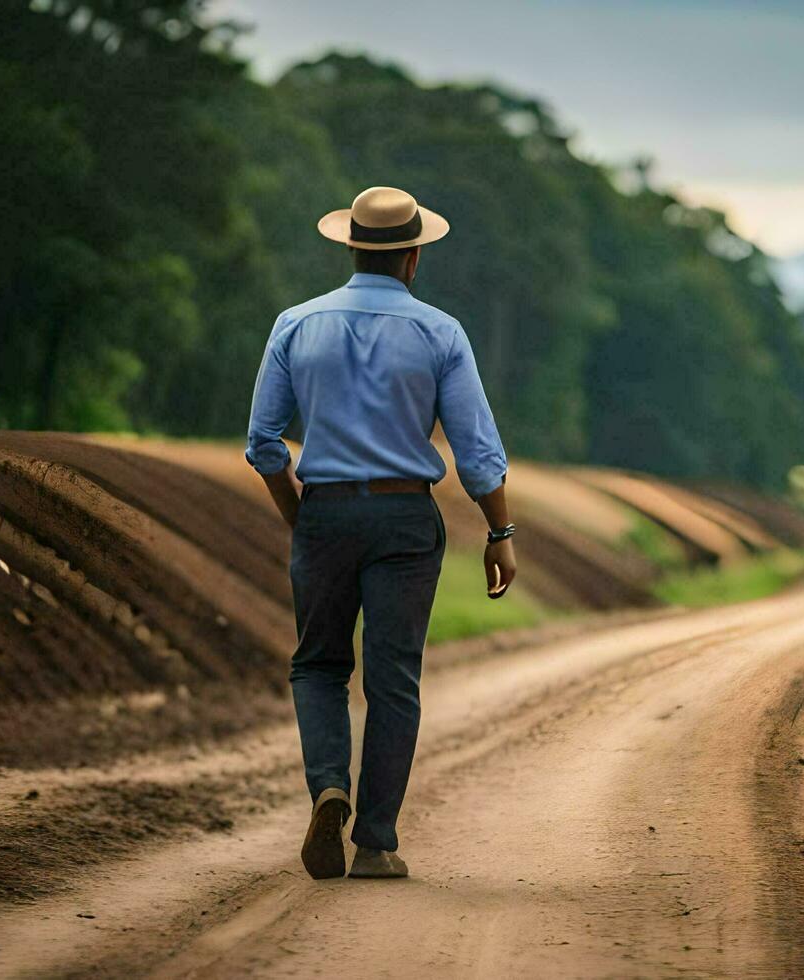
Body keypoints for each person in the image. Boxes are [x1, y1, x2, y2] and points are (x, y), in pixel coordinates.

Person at [245, 186, 517, 880]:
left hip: (326, 514)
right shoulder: (441, 333)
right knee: (393, 679)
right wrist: (499, 531)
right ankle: (375, 842)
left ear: (352, 247)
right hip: (404, 519)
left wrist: (297, 515)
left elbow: (264, 442)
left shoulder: (296, 324)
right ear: (414, 258)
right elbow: (477, 453)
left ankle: (328, 785)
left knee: (318, 665)